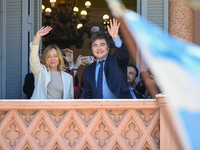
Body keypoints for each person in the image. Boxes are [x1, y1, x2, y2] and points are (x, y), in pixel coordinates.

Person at [83, 18, 131, 99]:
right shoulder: (88, 71)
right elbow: (88, 96)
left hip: (120, 108)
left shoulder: (116, 60)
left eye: (102, 45)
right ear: (91, 49)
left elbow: (124, 55)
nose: (99, 49)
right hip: (98, 110)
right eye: (95, 46)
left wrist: (115, 37)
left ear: (108, 47)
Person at [29, 26, 74, 99]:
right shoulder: (40, 72)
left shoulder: (68, 78)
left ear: (59, 58)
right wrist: (37, 38)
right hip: (42, 110)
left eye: (55, 56)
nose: (52, 59)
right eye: (49, 56)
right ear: (45, 58)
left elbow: (71, 99)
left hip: (60, 110)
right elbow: (33, 59)